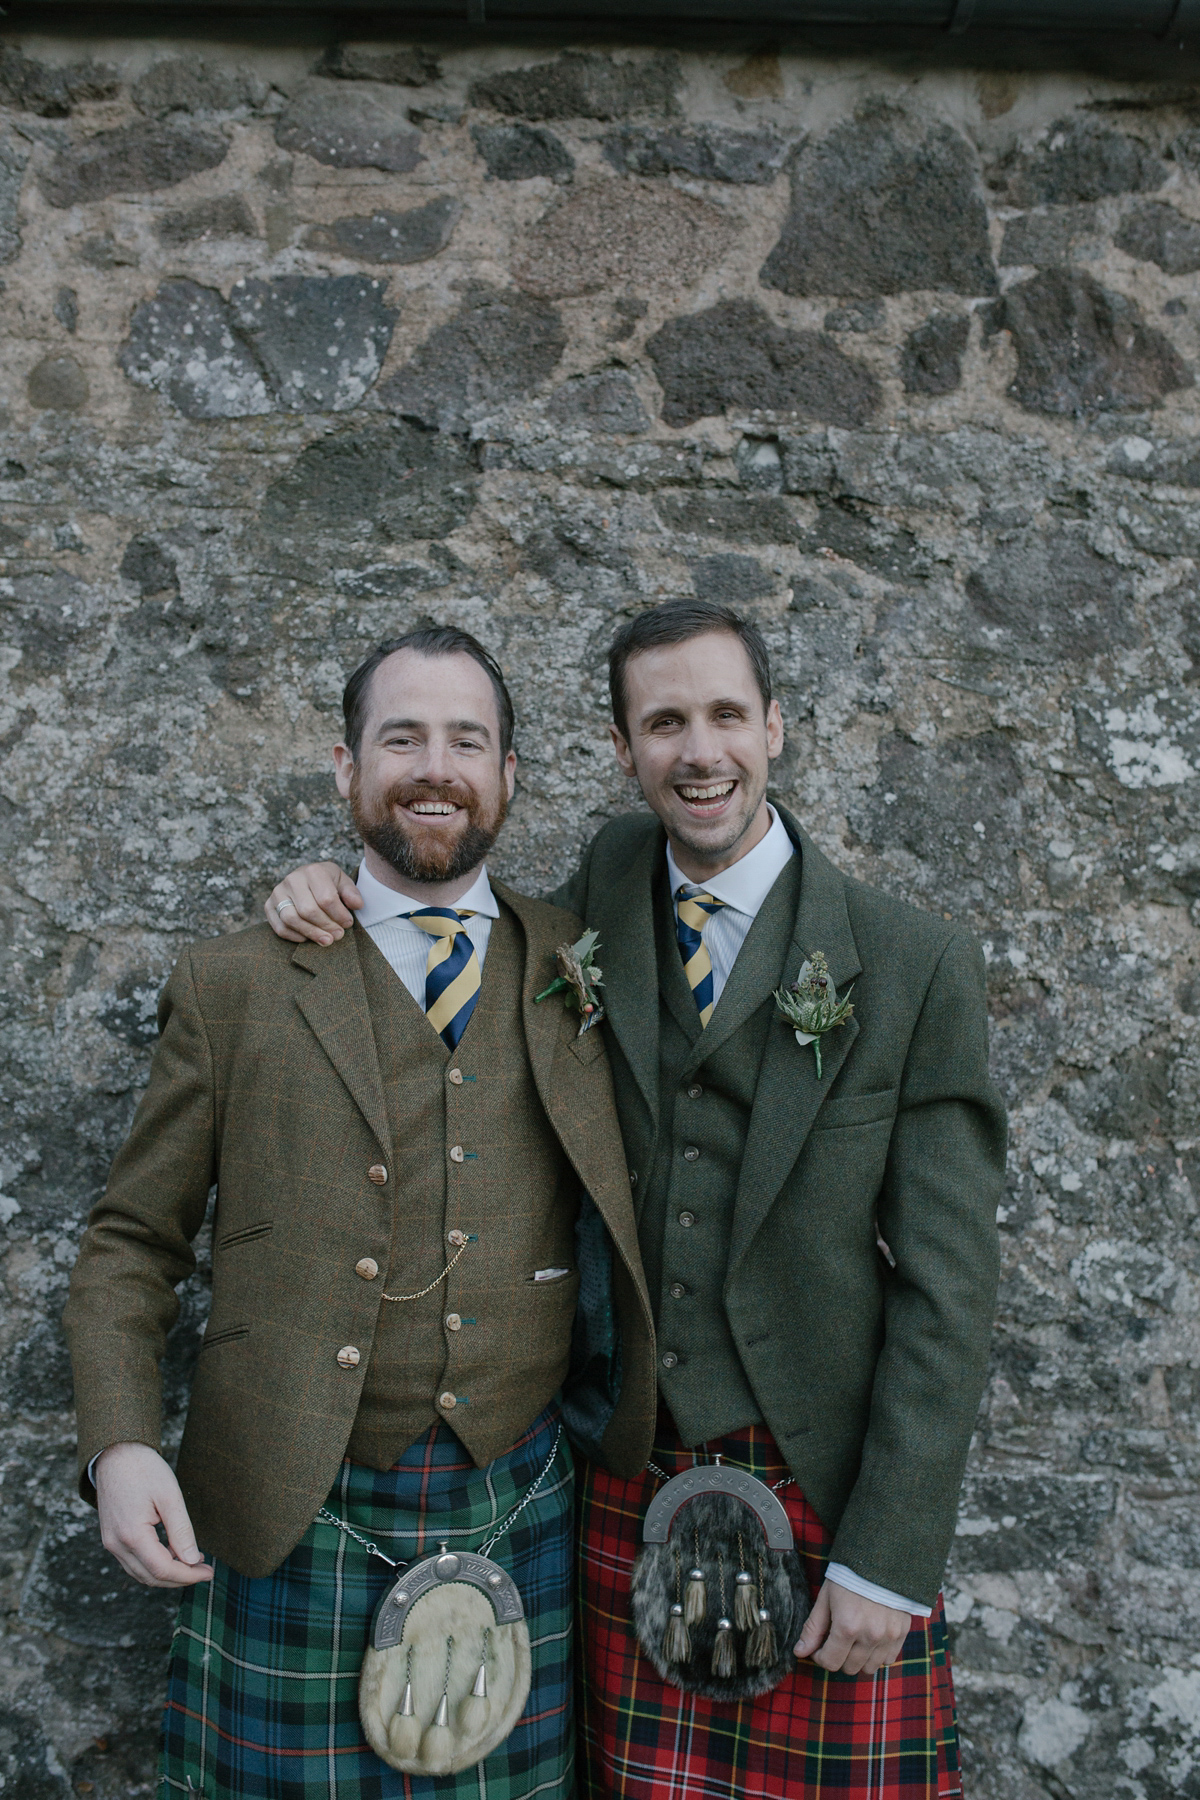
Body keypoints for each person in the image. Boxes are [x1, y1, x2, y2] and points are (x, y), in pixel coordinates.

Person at [265, 598, 1008, 1800]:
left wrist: (891, 1558)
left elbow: (950, 1287)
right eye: (664, 722)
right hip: (626, 1471)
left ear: (776, 725)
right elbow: (441, 919)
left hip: (825, 1487)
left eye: (725, 714)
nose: (699, 751)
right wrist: (322, 888)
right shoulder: (594, 899)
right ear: (624, 750)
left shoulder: (912, 962)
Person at [63, 624, 657, 1800]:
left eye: (466, 741)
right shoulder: (235, 983)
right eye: (402, 738)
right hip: (293, 1503)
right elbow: (132, 1240)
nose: (434, 766)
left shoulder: (582, 962)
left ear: (508, 776)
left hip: (518, 1494)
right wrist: (121, 1443)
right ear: (346, 769)